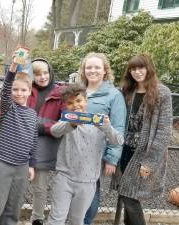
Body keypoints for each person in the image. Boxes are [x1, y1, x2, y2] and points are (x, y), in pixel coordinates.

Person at [47, 84, 124, 225]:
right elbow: (54, 131)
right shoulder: (66, 120)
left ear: (86, 101)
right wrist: (71, 124)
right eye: (70, 103)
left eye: (78, 100)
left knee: (77, 220)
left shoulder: (98, 121)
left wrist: (107, 127)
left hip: (88, 182)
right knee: (56, 219)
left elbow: (118, 140)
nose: (75, 105)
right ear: (65, 105)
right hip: (64, 178)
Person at [115, 54, 172, 225]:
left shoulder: (162, 93)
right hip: (124, 150)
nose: (137, 72)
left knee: (129, 196)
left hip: (143, 153)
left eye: (141, 68)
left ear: (149, 68)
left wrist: (149, 162)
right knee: (127, 193)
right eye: (133, 68)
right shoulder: (126, 91)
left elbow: (164, 131)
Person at [0, 56, 37, 225]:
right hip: (2, 165)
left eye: (23, 90)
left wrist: (32, 164)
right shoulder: (8, 108)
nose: (18, 93)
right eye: (15, 90)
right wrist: (13, 65)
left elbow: (33, 141)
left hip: (22, 167)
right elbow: (5, 89)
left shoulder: (33, 114)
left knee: (13, 209)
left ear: (29, 91)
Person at [79, 53, 127, 225]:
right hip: (75, 151)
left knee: (91, 190)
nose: (92, 71)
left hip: (97, 155)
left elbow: (119, 129)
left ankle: (85, 222)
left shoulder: (114, 95)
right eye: (89, 67)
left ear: (105, 71)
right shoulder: (78, 91)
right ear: (83, 71)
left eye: (97, 67)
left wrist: (112, 159)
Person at [27, 58, 65, 225]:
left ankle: (45, 218)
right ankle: (32, 217)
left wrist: (43, 127)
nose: (42, 77)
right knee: (30, 185)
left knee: (47, 187)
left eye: (45, 72)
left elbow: (65, 121)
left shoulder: (60, 92)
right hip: (26, 142)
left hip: (47, 145)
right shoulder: (28, 90)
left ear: (50, 72)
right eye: (37, 74)